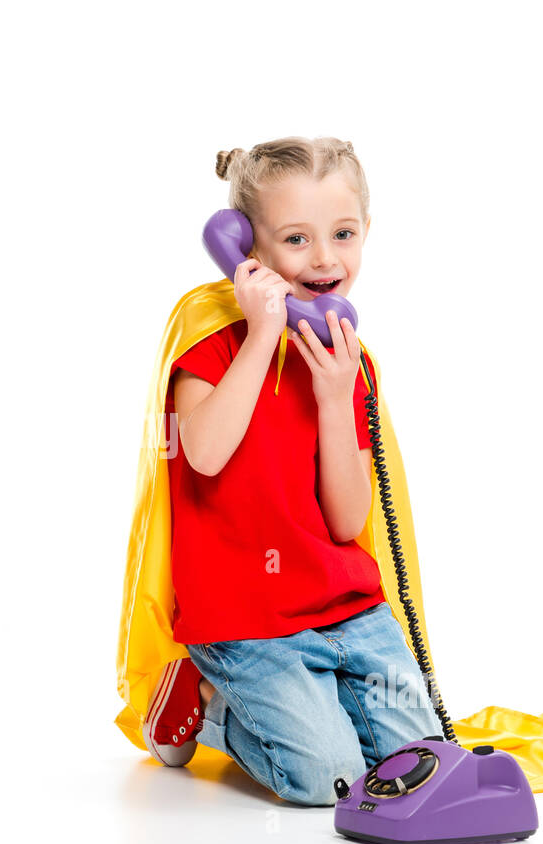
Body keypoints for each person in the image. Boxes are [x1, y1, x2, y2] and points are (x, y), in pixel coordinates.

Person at [144, 138, 443, 806]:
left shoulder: (348, 361)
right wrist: (261, 335)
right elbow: (204, 452)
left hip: (346, 610)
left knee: (420, 762)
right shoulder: (212, 342)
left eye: (342, 234)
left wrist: (338, 398)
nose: (325, 258)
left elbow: (346, 518)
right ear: (246, 249)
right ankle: (211, 700)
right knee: (327, 779)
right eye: (297, 239)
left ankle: (320, 699)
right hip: (245, 618)